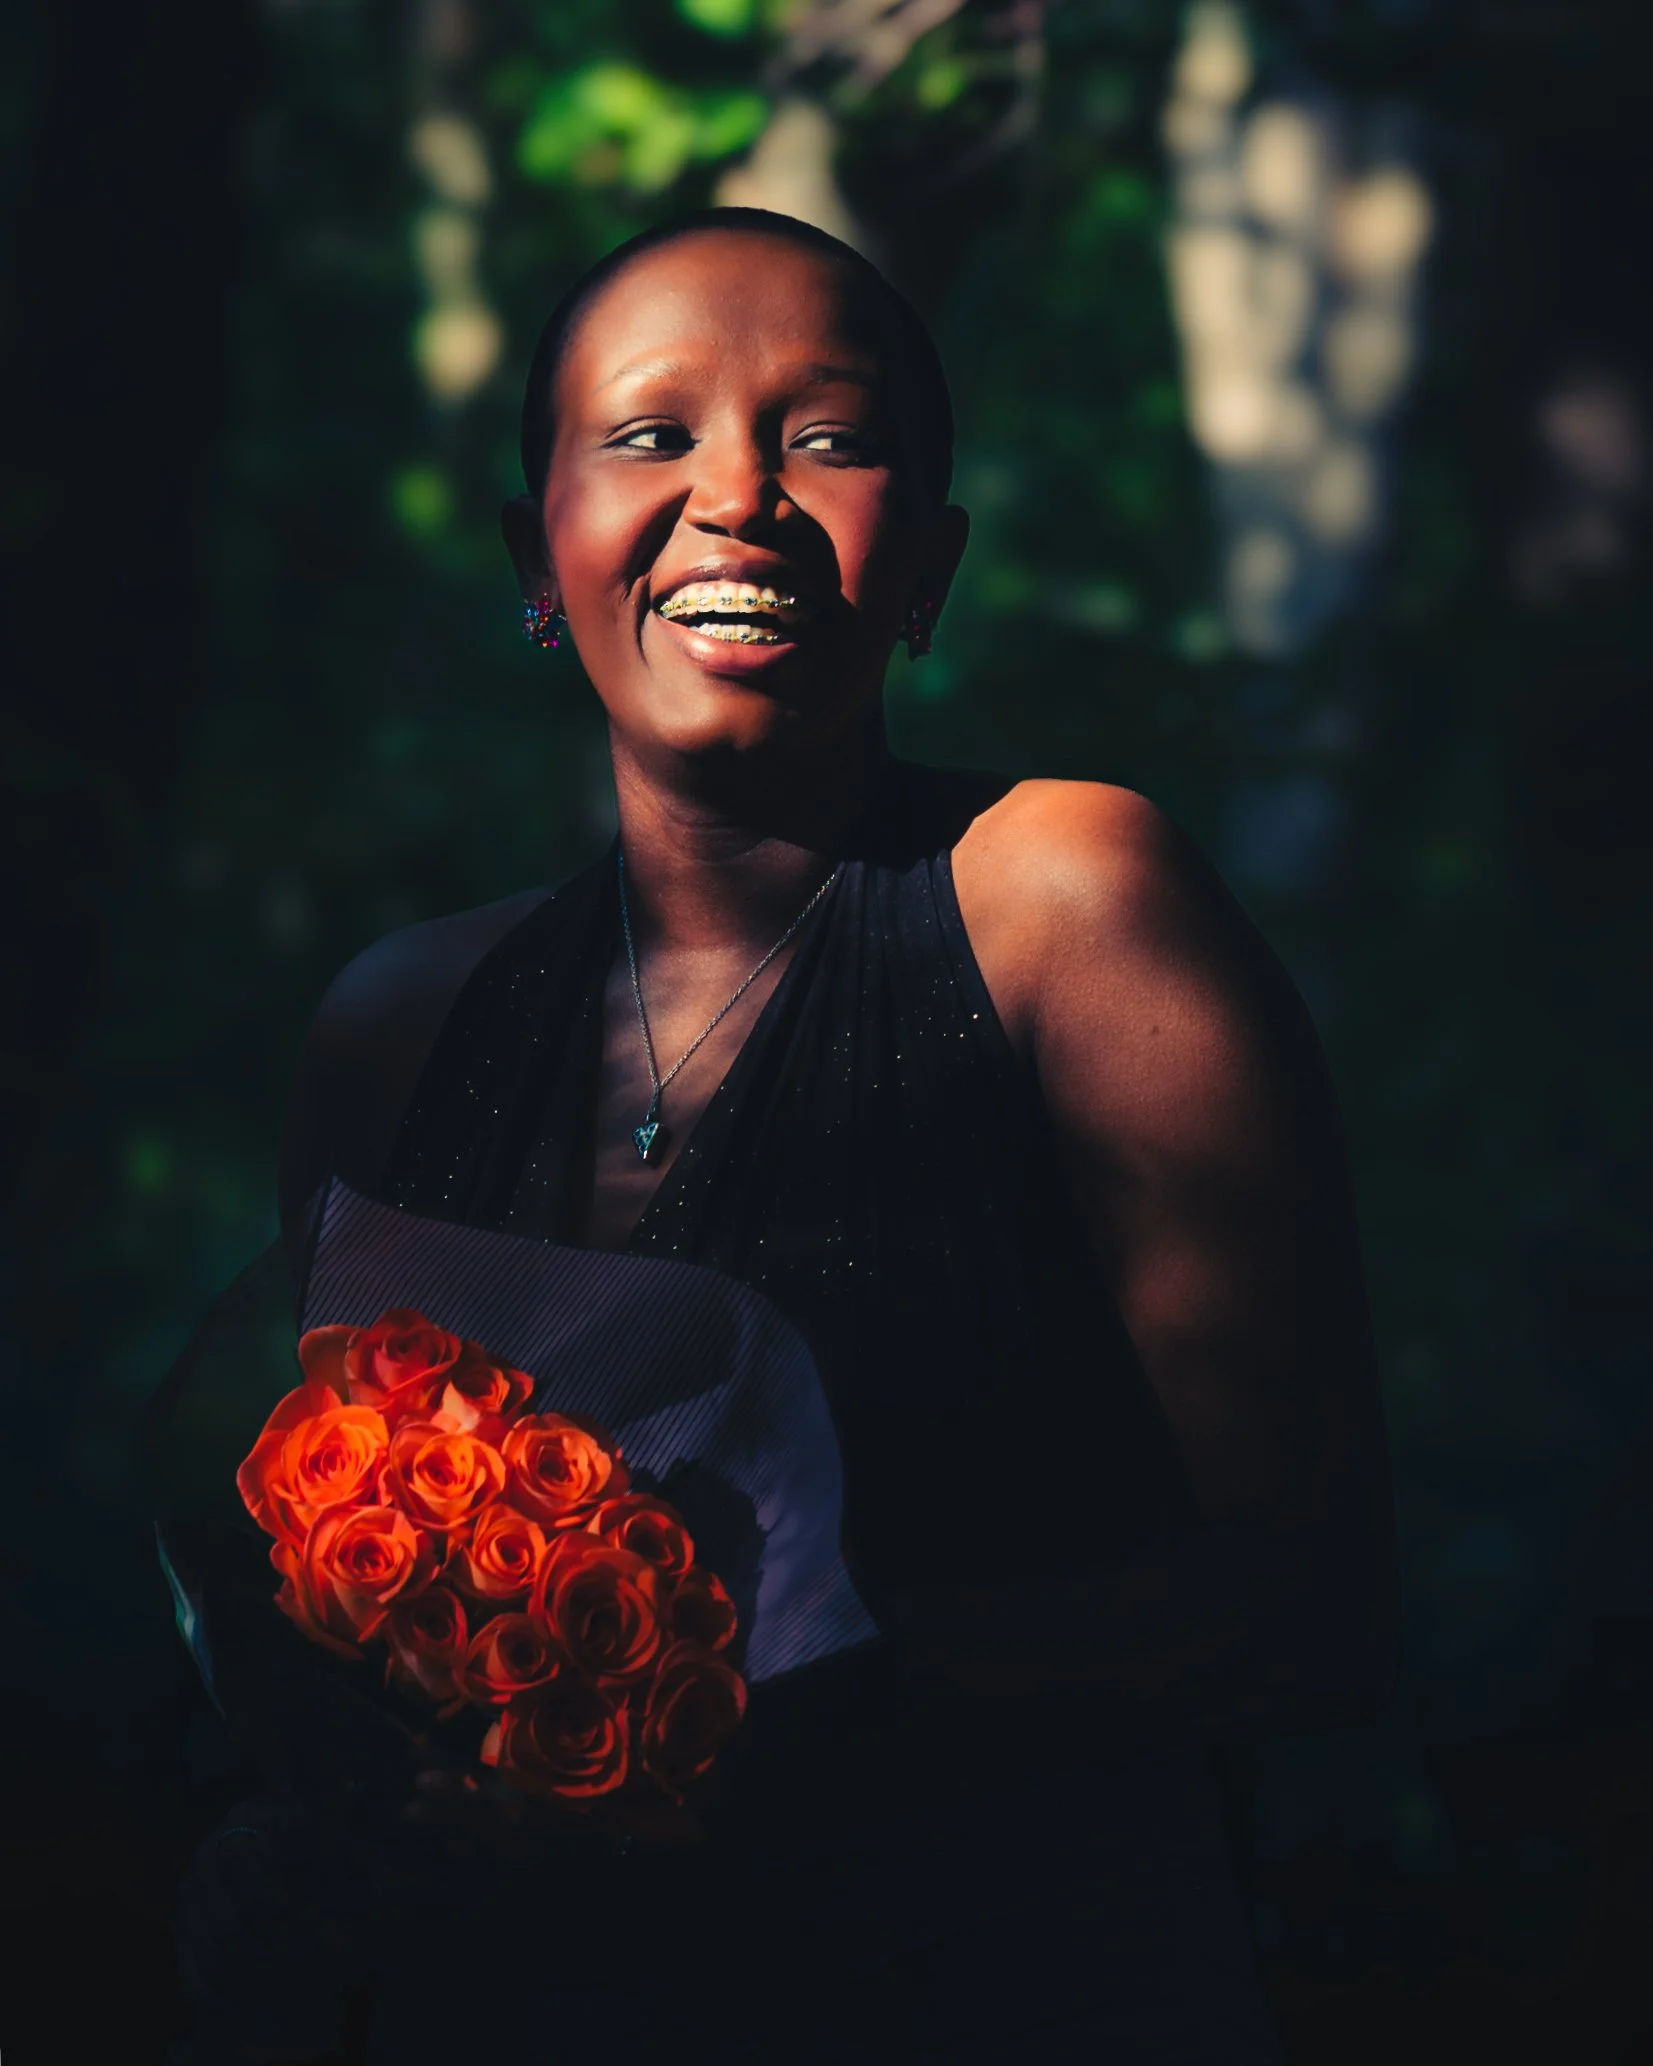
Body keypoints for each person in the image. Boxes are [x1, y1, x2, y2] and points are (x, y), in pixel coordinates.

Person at [167, 205, 1398, 2064]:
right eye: (650, 435)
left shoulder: (1072, 901)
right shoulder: (398, 1024)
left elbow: (1303, 1580)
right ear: (534, 554)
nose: (738, 494)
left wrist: (795, 1711)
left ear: (936, 568)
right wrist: (317, 1815)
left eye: (825, 436)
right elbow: (305, 1587)